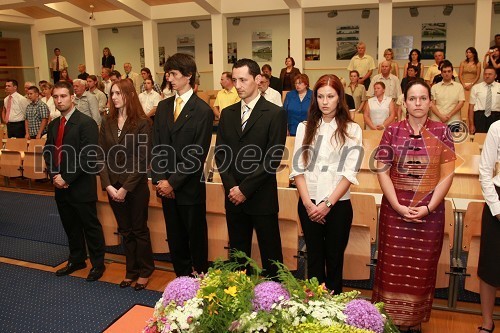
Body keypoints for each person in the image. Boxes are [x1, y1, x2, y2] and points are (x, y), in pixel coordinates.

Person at [372, 79, 456, 333]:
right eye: (412, 98)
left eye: (423, 98)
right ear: (404, 102)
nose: (418, 103)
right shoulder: (392, 131)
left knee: (420, 269)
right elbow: (382, 171)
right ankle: (390, 321)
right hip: (395, 209)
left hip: (429, 213)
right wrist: (397, 206)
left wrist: (429, 207)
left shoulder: (443, 132)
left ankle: (414, 322)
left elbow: (447, 175)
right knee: (392, 267)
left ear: (431, 101)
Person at [214, 58, 287, 279]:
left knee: (271, 256)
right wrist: (232, 187)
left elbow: (272, 159)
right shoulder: (228, 113)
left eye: (243, 80)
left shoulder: (275, 113)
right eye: (235, 80)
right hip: (233, 196)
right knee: (237, 257)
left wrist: (244, 189)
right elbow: (221, 154)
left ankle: (275, 300)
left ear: (258, 79)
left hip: (261, 196)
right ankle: (237, 298)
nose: (238, 85)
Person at [290, 74, 362, 294]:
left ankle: (333, 312)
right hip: (308, 203)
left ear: (339, 98)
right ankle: (314, 310)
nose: (325, 101)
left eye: (330, 96)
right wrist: (308, 204)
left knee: (334, 261)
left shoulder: (352, 129)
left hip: (338, 205)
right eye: (320, 96)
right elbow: (297, 170)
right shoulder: (304, 127)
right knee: (313, 260)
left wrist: (326, 205)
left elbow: (349, 173)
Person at [151, 53, 213, 277]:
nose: (170, 78)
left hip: (188, 187)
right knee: (174, 237)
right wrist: (160, 180)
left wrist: (172, 182)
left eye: (174, 74)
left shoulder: (203, 111)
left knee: (195, 237)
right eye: (168, 74)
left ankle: (200, 281)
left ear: (188, 76)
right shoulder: (164, 106)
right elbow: (156, 145)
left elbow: (197, 155)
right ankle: (181, 280)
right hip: (166, 187)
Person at [43, 81, 106, 282]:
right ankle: (77, 259)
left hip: (80, 185)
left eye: (63, 96)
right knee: (70, 225)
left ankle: (98, 264)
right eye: (56, 97)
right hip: (59, 186)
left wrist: (66, 178)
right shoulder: (54, 124)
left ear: (72, 97)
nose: (59, 100)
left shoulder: (86, 123)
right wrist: (55, 176)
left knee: (90, 226)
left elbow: (88, 157)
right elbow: (48, 152)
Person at [98, 79, 155, 291]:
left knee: (139, 229)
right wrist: (109, 185)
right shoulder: (107, 121)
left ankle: (145, 270)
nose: (113, 97)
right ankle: (131, 270)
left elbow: (143, 159)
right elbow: (100, 155)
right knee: (125, 230)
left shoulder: (142, 122)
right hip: (113, 185)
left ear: (129, 95)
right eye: (112, 93)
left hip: (134, 186)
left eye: (118, 93)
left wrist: (124, 188)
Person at [477, 118, 500, 333]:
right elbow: (485, 171)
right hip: (497, 202)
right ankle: (487, 322)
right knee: (490, 266)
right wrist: (497, 208)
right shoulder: (497, 127)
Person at [430, 60, 465, 131]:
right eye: (444, 72)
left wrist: (449, 115)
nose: (447, 74)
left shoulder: (459, 86)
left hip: (453, 120)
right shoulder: (434, 87)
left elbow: (461, 103)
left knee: (453, 141)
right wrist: (441, 116)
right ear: (441, 73)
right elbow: (432, 104)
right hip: (437, 120)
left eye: (449, 71)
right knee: (436, 142)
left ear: (452, 73)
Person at [468, 67, 500, 134]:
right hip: (480, 117)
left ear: (495, 76)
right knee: (479, 139)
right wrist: (471, 124)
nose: (487, 76)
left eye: (490, 74)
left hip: (496, 117)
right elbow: (471, 107)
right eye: (485, 74)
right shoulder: (476, 87)